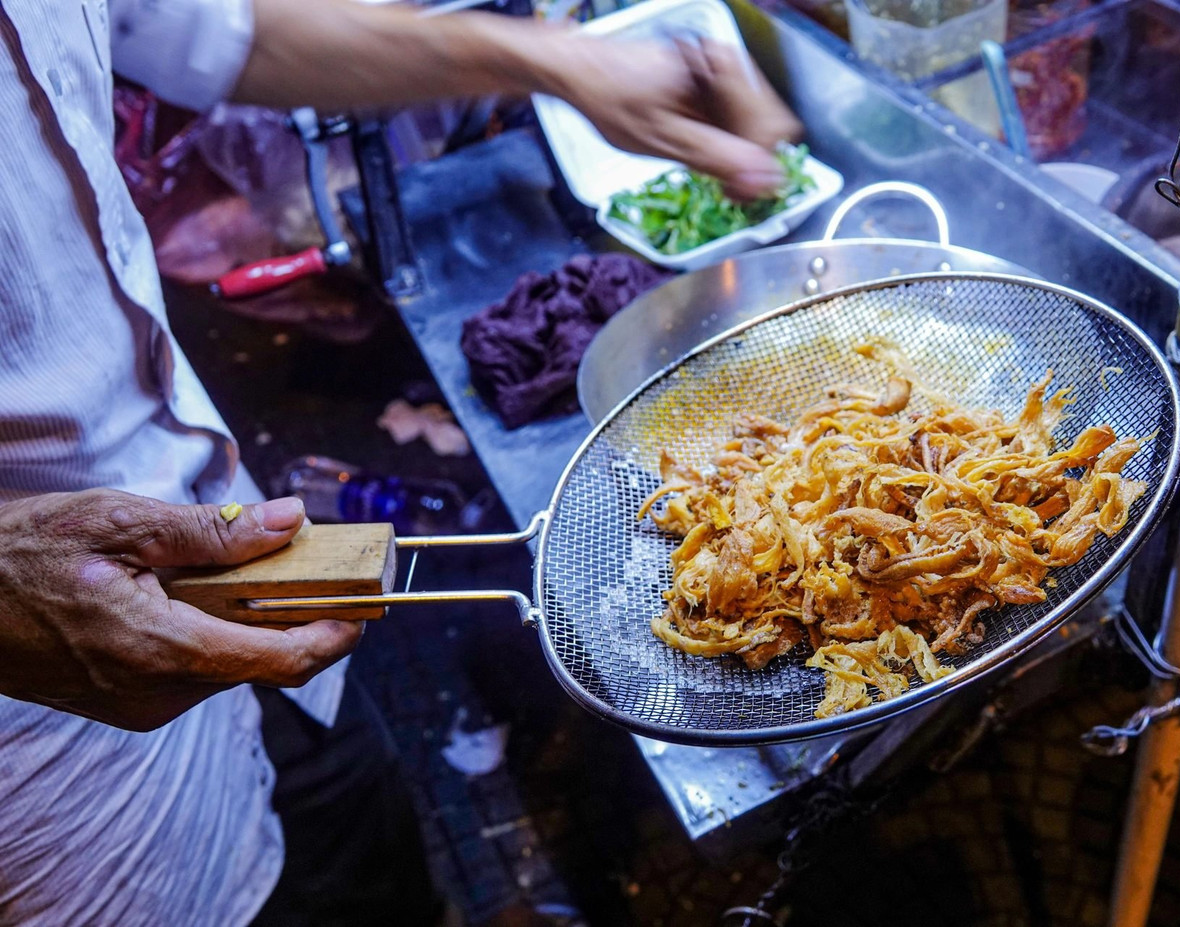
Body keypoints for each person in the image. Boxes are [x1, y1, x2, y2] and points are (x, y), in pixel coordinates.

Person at [0, 0, 800, 923]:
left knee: (366, 844)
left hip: (231, 548)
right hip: (53, 772)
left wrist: (561, 61)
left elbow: (212, 32)